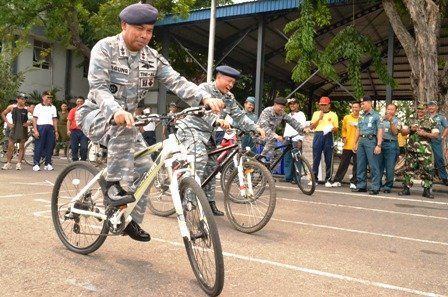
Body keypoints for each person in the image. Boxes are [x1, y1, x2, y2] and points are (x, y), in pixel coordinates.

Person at [76, 3, 223, 241]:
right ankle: (113, 186)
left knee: (147, 168)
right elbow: (99, 88)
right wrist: (116, 111)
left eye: (150, 30)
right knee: (124, 126)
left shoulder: (152, 58)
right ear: (124, 25)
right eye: (139, 29)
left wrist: (205, 97)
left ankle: (129, 220)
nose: (145, 35)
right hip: (96, 115)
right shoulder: (105, 48)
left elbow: (177, 81)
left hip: (128, 121)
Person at [176, 65, 265, 216]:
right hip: (191, 129)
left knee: (212, 166)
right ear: (218, 77)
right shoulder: (204, 89)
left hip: (207, 134)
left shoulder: (229, 97)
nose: (230, 85)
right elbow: (201, 109)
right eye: (228, 81)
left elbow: (240, 116)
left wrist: (255, 127)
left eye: (233, 83)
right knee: (200, 160)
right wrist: (217, 121)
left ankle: (209, 202)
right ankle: (188, 199)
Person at [399, 103, 439, 198]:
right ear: (416, 110)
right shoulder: (410, 120)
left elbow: (436, 135)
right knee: (408, 169)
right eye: (418, 109)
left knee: (427, 170)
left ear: (426, 110)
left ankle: (426, 191)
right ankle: (406, 189)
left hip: (425, 151)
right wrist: (410, 129)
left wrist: (425, 133)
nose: (420, 111)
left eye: (422, 110)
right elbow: (403, 133)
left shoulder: (431, 121)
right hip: (411, 150)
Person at [353, 96, 383, 195]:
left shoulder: (376, 116)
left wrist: (378, 145)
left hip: (371, 140)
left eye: (363, 104)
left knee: (373, 165)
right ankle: (361, 186)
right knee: (360, 164)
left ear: (369, 103)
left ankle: (375, 187)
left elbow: (380, 130)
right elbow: (358, 130)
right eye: (361, 104)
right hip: (362, 140)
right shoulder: (361, 116)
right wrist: (355, 142)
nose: (362, 106)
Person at [309, 96, 339, 186]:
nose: (323, 107)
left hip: (328, 135)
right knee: (316, 157)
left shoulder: (333, 114)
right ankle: (314, 179)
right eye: (321, 105)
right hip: (318, 134)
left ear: (329, 105)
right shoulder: (316, 113)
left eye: (325, 105)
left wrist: (332, 129)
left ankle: (328, 179)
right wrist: (319, 118)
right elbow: (311, 127)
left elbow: (336, 128)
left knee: (329, 158)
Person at [331, 101, 360, 189]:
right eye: (353, 107)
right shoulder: (347, 117)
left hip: (358, 145)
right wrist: (343, 137)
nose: (355, 109)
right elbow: (343, 129)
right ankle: (337, 180)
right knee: (343, 163)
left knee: (357, 164)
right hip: (347, 144)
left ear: (360, 108)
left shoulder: (362, 118)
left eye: (356, 107)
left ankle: (354, 182)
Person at [1, 93, 30, 170]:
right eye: (22, 99)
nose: (24, 100)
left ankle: (19, 163)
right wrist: (8, 123)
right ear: (17, 99)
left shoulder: (27, 109)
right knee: (10, 147)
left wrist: (29, 123)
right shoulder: (12, 107)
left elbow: (36, 117)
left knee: (21, 147)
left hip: (23, 130)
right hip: (14, 129)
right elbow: (3, 114)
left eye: (24, 99)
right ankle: (8, 163)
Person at [32, 91, 58, 171]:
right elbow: (34, 119)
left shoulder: (53, 107)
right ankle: (36, 163)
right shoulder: (38, 106)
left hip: (50, 128)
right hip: (41, 127)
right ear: (43, 97)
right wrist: (35, 130)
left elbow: (54, 120)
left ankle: (48, 163)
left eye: (50, 98)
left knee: (50, 146)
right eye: (48, 97)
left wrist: (56, 131)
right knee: (39, 146)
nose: (49, 99)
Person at [282, 98, 307, 183]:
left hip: (296, 139)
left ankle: (297, 178)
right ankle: (288, 177)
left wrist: (300, 139)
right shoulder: (288, 114)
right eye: (290, 104)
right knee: (287, 159)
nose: (292, 105)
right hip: (287, 138)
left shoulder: (301, 114)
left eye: (294, 103)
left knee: (297, 159)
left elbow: (302, 127)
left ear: (298, 105)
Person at [378, 103, 400, 193]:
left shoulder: (397, 121)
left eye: (392, 109)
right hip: (381, 144)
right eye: (388, 109)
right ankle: (378, 184)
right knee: (379, 165)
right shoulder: (381, 119)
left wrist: (390, 121)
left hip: (391, 144)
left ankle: (388, 186)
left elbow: (395, 132)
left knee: (389, 166)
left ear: (395, 111)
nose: (389, 111)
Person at [426, 101, 448, 185]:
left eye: (432, 106)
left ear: (436, 107)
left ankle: (444, 178)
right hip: (426, 140)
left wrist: (442, 137)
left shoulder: (441, 117)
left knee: (439, 158)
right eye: (429, 106)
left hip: (436, 140)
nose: (430, 107)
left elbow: (446, 127)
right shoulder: (425, 117)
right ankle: (429, 177)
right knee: (428, 159)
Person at [67, 97, 88, 161]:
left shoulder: (87, 111)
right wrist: (68, 130)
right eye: (78, 101)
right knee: (74, 147)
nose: (79, 103)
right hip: (74, 131)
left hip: (83, 131)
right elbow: (69, 121)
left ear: (83, 102)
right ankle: (75, 160)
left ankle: (83, 160)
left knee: (84, 147)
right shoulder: (73, 110)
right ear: (76, 102)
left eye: (81, 101)